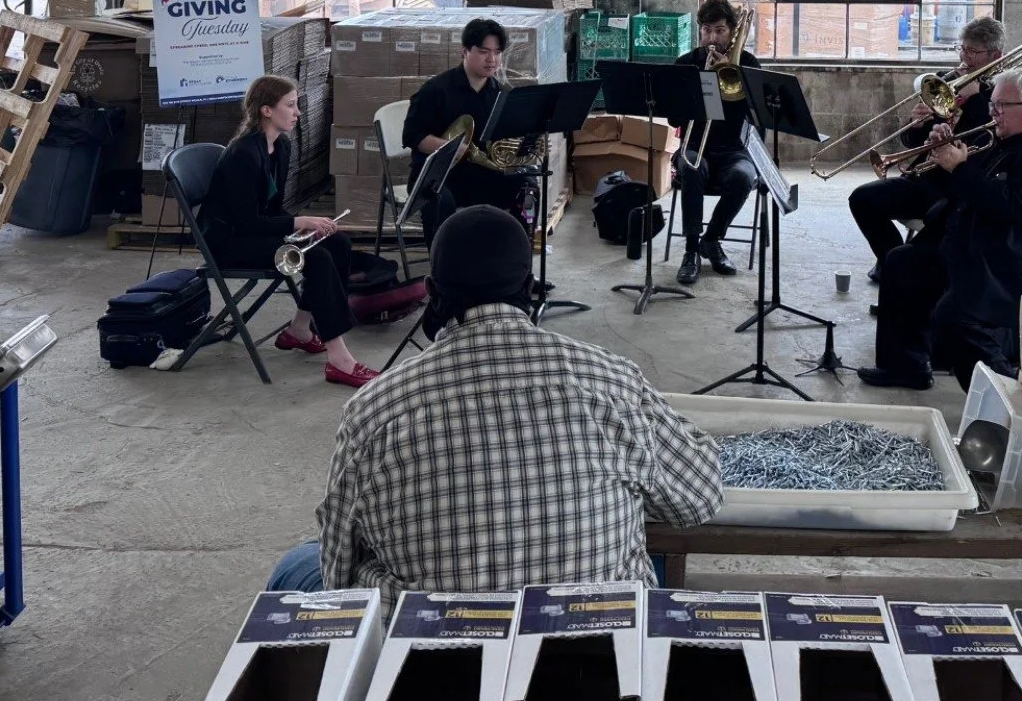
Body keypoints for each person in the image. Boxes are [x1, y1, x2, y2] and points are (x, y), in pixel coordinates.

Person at [268, 206, 722, 600]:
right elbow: (699, 498)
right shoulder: (610, 380)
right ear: (527, 284)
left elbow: (338, 570)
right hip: (592, 651)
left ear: (431, 289)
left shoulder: (374, 409)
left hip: (429, 661)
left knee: (302, 560)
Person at [856, 66, 1022, 392]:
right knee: (902, 261)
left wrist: (960, 167)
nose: (993, 112)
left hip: (1016, 264)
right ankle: (905, 366)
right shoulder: (1006, 141)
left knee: (953, 314)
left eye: (1002, 106)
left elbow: (1013, 208)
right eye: (992, 105)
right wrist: (944, 153)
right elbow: (969, 189)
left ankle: (1007, 395)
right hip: (983, 244)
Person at [198, 75, 379, 388]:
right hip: (229, 243)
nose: (298, 112)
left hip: (254, 232)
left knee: (336, 243)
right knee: (319, 259)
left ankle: (299, 329)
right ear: (267, 111)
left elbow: (272, 209)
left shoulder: (280, 146)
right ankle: (340, 360)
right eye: (291, 105)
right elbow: (248, 223)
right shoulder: (243, 154)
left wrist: (310, 228)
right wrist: (301, 223)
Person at [848, 16, 1006, 286]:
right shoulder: (947, 82)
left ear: (995, 55)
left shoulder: (1000, 91)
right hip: (925, 178)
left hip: (959, 187)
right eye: (963, 49)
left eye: (974, 51)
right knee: (862, 198)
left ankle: (903, 270)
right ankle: (892, 263)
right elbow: (911, 141)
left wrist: (976, 98)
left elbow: (987, 142)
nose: (965, 57)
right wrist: (916, 124)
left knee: (937, 230)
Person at [401, 17, 535, 244]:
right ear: (465, 51)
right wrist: (452, 148)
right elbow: (413, 136)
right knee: (438, 201)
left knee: (528, 186)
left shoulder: (501, 94)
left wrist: (528, 146)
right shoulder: (436, 90)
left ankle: (516, 257)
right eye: (483, 51)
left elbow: (506, 141)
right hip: (438, 176)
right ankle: (443, 268)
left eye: (497, 52)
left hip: (482, 175)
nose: (492, 59)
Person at [672, 0, 762, 286]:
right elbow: (674, 120)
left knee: (743, 177)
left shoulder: (747, 64)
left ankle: (711, 239)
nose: (712, 38)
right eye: (706, 30)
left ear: (733, 32)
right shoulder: (686, 64)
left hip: (735, 150)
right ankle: (690, 252)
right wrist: (699, 87)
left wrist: (730, 81)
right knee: (692, 168)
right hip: (695, 146)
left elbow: (757, 119)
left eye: (720, 30)